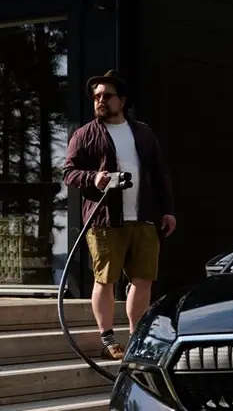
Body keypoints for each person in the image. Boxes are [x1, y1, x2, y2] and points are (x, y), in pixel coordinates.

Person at [62, 69, 176, 360]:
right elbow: (69, 173)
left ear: (122, 101)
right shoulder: (84, 134)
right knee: (105, 279)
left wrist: (167, 211)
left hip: (143, 218)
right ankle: (107, 337)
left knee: (143, 279)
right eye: (96, 96)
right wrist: (93, 179)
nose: (100, 100)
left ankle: (136, 336)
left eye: (107, 96)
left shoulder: (143, 133)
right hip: (104, 220)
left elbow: (158, 174)